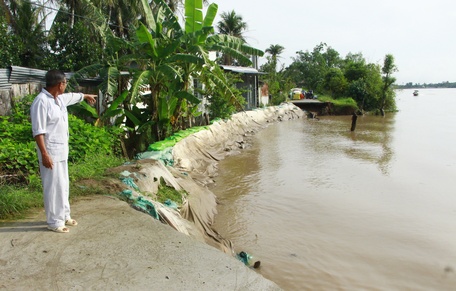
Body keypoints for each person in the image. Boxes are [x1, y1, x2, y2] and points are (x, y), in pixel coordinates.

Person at [30, 69, 97, 233]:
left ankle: (64, 215)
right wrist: (44, 154)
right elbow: (38, 132)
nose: (66, 86)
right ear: (60, 84)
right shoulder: (41, 102)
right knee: (52, 187)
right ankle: (54, 221)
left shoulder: (58, 99)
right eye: (65, 83)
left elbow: (71, 97)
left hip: (61, 150)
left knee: (63, 185)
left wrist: (85, 96)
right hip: (50, 152)